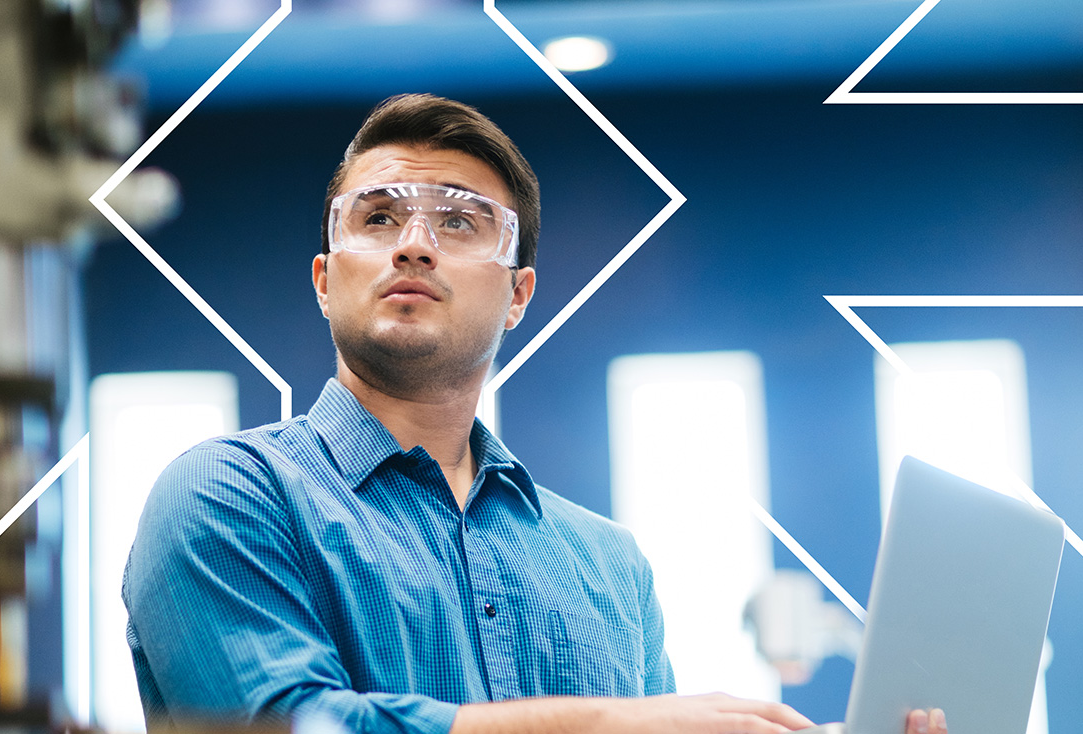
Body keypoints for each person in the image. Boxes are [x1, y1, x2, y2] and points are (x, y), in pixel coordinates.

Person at [123, 94, 946, 734]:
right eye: (377, 218)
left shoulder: (608, 565)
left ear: (518, 294)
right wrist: (602, 722)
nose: (413, 243)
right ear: (324, 278)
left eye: (458, 221)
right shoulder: (227, 495)